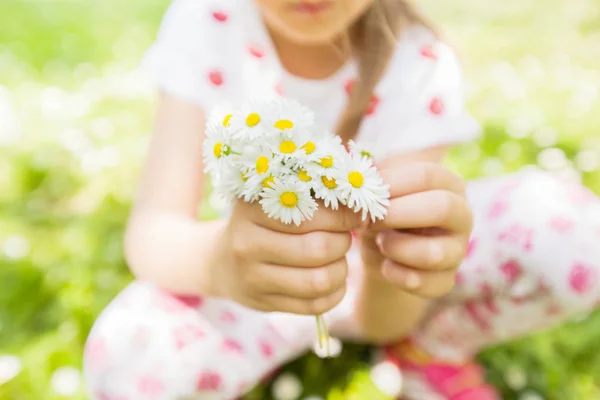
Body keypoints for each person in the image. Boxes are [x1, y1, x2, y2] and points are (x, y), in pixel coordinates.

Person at [83, 0, 600, 399]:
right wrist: (222, 267)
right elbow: (152, 233)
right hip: (256, 276)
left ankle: (428, 346)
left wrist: (397, 267)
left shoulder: (416, 61)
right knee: (126, 357)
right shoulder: (207, 22)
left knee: (573, 234)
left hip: (377, 290)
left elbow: (385, 312)